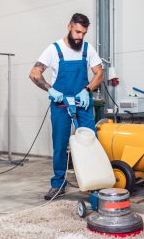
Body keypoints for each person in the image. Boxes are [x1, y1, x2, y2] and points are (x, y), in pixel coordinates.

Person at [29, 13, 103, 200]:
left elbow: (99, 74)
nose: (80, 36)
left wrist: (87, 89)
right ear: (69, 27)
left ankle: (93, 182)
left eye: (84, 33)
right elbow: (34, 73)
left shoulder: (88, 49)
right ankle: (58, 183)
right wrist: (49, 89)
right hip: (60, 105)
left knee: (90, 142)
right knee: (60, 145)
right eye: (77, 31)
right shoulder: (54, 49)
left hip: (83, 103)